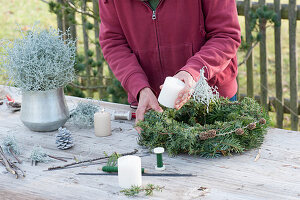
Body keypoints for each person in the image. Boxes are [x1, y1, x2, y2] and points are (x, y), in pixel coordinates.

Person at [99, 0, 241, 124]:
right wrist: (139, 87)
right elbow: (113, 43)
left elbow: (225, 35)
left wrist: (193, 71)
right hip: (151, 103)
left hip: (211, 100)